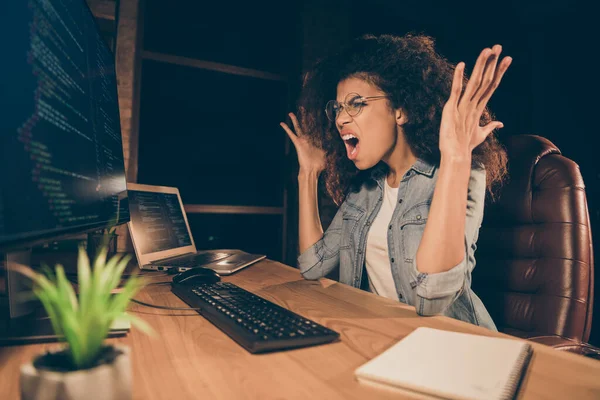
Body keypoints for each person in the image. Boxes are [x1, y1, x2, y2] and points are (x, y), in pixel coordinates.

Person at [279, 34, 512, 330]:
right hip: (384, 338)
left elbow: (432, 298)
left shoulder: (463, 173)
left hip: (456, 344)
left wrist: (455, 158)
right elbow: (314, 267)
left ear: (400, 110)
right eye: (337, 108)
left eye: (356, 104)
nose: (340, 119)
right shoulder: (366, 189)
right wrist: (308, 174)